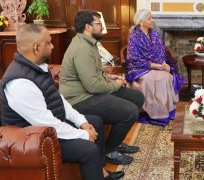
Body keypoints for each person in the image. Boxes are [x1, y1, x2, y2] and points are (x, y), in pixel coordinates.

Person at [0, 24, 124, 180]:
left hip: (49, 127)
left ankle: (100, 173)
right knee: (89, 150)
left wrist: (81, 122)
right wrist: (83, 135)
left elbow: (58, 100)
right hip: (35, 139)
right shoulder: (20, 83)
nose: (52, 47)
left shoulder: (38, 67)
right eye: (49, 43)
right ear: (36, 48)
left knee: (95, 122)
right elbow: (45, 122)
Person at [59, 10, 145, 165]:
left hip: (90, 92)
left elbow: (93, 74)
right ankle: (110, 151)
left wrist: (109, 77)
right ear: (88, 27)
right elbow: (92, 86)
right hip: (79, 99)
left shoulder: (89, 43)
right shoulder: (82, 48)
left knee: (137, 97)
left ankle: (116, 143)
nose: (102, 27)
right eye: (98, 24)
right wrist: (116, 84)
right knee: (130, 111)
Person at [125, 9, 184, 126]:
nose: (152, 20)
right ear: (141, 22)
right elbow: (134, 58)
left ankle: (167, 111)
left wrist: (164, 63)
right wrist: (157, 66)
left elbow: (161, 51)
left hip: (157, 65)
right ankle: (156, 114)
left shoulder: (154, 33)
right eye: (149, 18)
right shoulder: (134, 36)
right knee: (159, 78)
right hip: (139, 68)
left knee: (167, 76)